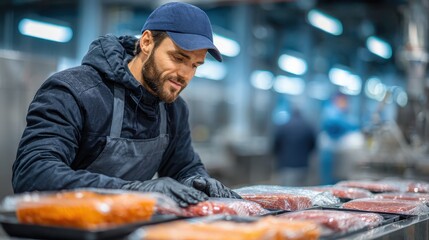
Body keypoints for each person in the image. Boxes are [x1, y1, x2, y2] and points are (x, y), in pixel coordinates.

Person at [12, 2, 240, 207]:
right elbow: (33, 173)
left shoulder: (174, 110)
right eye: (178, 58)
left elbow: (183, 166)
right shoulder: (74, 91)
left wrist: (197, 180)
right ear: (147, 42)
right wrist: (131, 191)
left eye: (195, 65)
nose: (184, 74)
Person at [272, 108, 316, 186]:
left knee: (286, 192)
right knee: (301, 191)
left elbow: (276, 145)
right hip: (303, 165)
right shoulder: (308, 127)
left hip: (286, 165)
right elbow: (313, 145)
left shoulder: (283, 127)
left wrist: (278, 157)